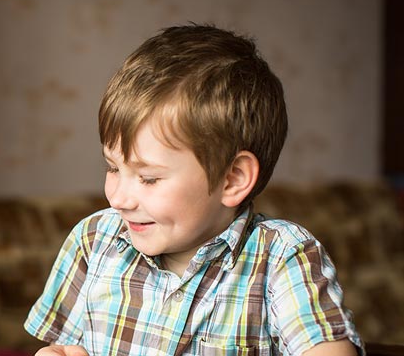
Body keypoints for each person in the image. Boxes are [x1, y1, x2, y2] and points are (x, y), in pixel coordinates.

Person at [24, 24, 363, 355]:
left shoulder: (281, 259)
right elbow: (58, 347)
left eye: (149, 178)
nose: (118, 198)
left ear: (232, 179)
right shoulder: (92, 241)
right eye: (113, 168)